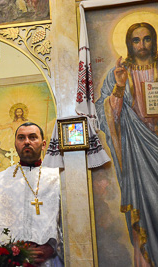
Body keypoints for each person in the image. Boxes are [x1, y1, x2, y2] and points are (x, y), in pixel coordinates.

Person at [95, 22, 158, 266]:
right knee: (142, 210)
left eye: (147, 39)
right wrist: (120, 88)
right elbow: (106, 115)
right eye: (136, 40)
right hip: (137, 153)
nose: (142, 45)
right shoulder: (118, 73)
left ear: (154, 40)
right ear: (128, 44)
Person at [0, 122, 63, 267]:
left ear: (43, 143)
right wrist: (9, 251)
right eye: (21, 138)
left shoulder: (57, 177)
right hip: (11, 261)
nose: (27, 142)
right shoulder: (1, 180)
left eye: (32, 137)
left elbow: (68, 222)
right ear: (15, 144)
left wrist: (53, 247)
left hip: (49, 260)